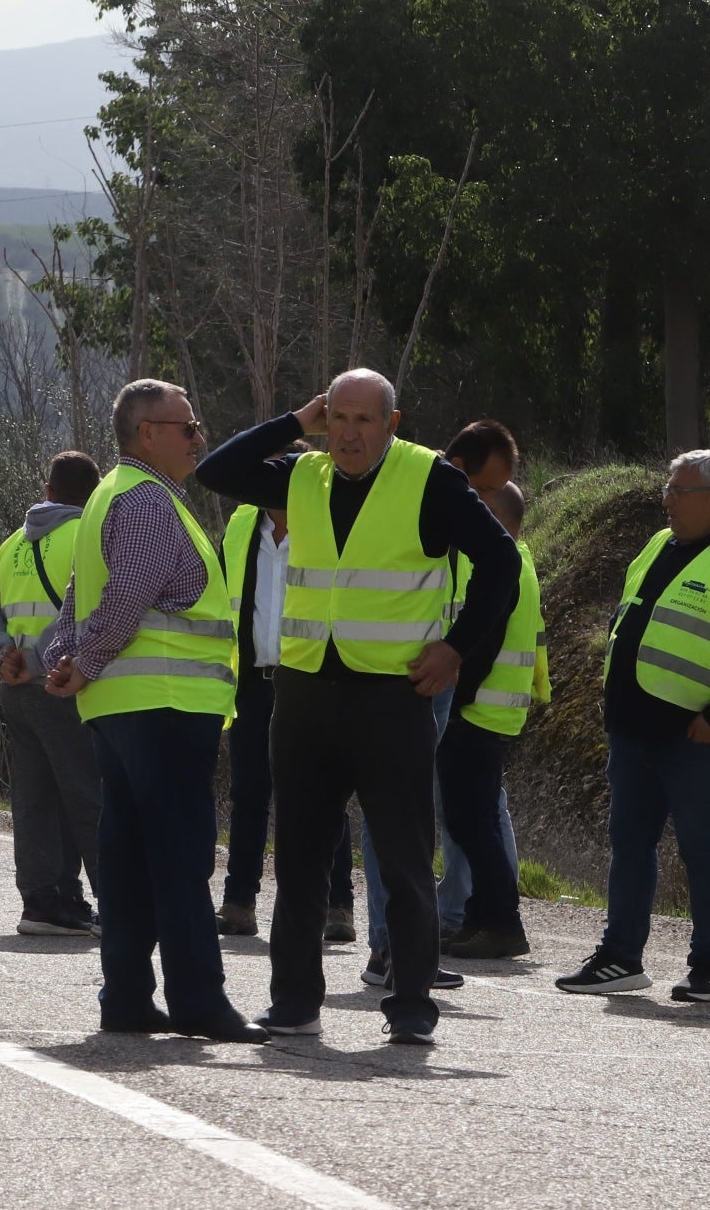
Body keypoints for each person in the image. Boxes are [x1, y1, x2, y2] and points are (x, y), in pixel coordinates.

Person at [194, 369, 518, 1046]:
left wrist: (456, 649)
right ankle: (294, 1003)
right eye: (337, 417)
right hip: (306, 693)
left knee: (402, 860)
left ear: (391, 424)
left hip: (391, 698)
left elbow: (501, 565)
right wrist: (292, 421)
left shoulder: (428, 478)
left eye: (364, 420)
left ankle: (409, 1007)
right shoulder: (301, 474)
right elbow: (217, 471)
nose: (348, 432)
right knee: (302, 858)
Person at [41, 381, 264, 1043]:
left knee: (131, 861)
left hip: (124, 709)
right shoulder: (144, 501)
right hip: (162, 706)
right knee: (180, 859)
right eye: (185, 427)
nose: (198, 437)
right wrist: (83, 660)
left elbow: (81, 599)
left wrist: (65, 654)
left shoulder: (113, 495)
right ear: (146, 434)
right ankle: (199, 1001)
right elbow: (128, 597)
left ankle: (129, 999)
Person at [361, 418, 525, 971]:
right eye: (481, 491)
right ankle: (391, 945)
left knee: (423, 817)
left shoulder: (462, 525)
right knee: (390, 815)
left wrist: (454, 663)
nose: (486, 505)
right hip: (386, 676)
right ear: (458, 471)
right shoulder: (412, 491)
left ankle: (407, 944)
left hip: (437, 685)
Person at [555, 452, 710, 1002]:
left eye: (680, 491)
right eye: (668, 488)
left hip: (692, 737)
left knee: (703, 850)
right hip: (634, 727)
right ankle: (620, 957)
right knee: (629, 843)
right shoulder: (656, 544)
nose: (666, 499)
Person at [0, 450, 103, 937]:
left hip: (15, 690)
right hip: (62, 682)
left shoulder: (12, 545)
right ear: (95, 496)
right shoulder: (90, 537)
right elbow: (86, 610)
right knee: (90, 796)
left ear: (47, 493)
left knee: (33, 797)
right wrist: (41, 661)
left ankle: (45, 901)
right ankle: (115, 902)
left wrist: (2, 655)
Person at [215, 496, 359, 941]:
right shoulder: (240, 529)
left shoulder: (329, 525)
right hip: (253, 682)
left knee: (323, 795)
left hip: (313, 679)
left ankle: (338, 906)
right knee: (249, 794)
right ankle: (239, 902)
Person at [438, 482, 546, 960]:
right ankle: (484, 918)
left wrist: (453, 700)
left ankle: (502, 922)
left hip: (477, 710)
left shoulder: (501, 566)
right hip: (491, 709)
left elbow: (481, 645)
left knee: (472, 821)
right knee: (473, 819)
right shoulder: (516, 559)